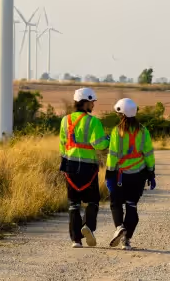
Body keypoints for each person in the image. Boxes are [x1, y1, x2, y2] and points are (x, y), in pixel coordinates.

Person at [60, 87, 108, 248]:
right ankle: (88, 226)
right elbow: (99, 144)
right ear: (85, 102)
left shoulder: (65, 120)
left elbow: (62, 144)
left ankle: (76, 240)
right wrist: (107, 141)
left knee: (74, 204)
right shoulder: (93, 122)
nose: (93, 105)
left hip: (69, 166)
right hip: (88, 167)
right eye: (92, 102)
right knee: (93, 201)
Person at [105, 97, 156, 250]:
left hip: (120, 174)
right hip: (139, 175)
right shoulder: (144, 130)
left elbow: (113, 154)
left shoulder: (117, 131)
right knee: (131, 206)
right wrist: (151, 172)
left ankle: (119, 227)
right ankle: (126, 241)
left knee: (116, 203)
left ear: (121, 114)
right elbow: (148, 153)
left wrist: (109, 173)